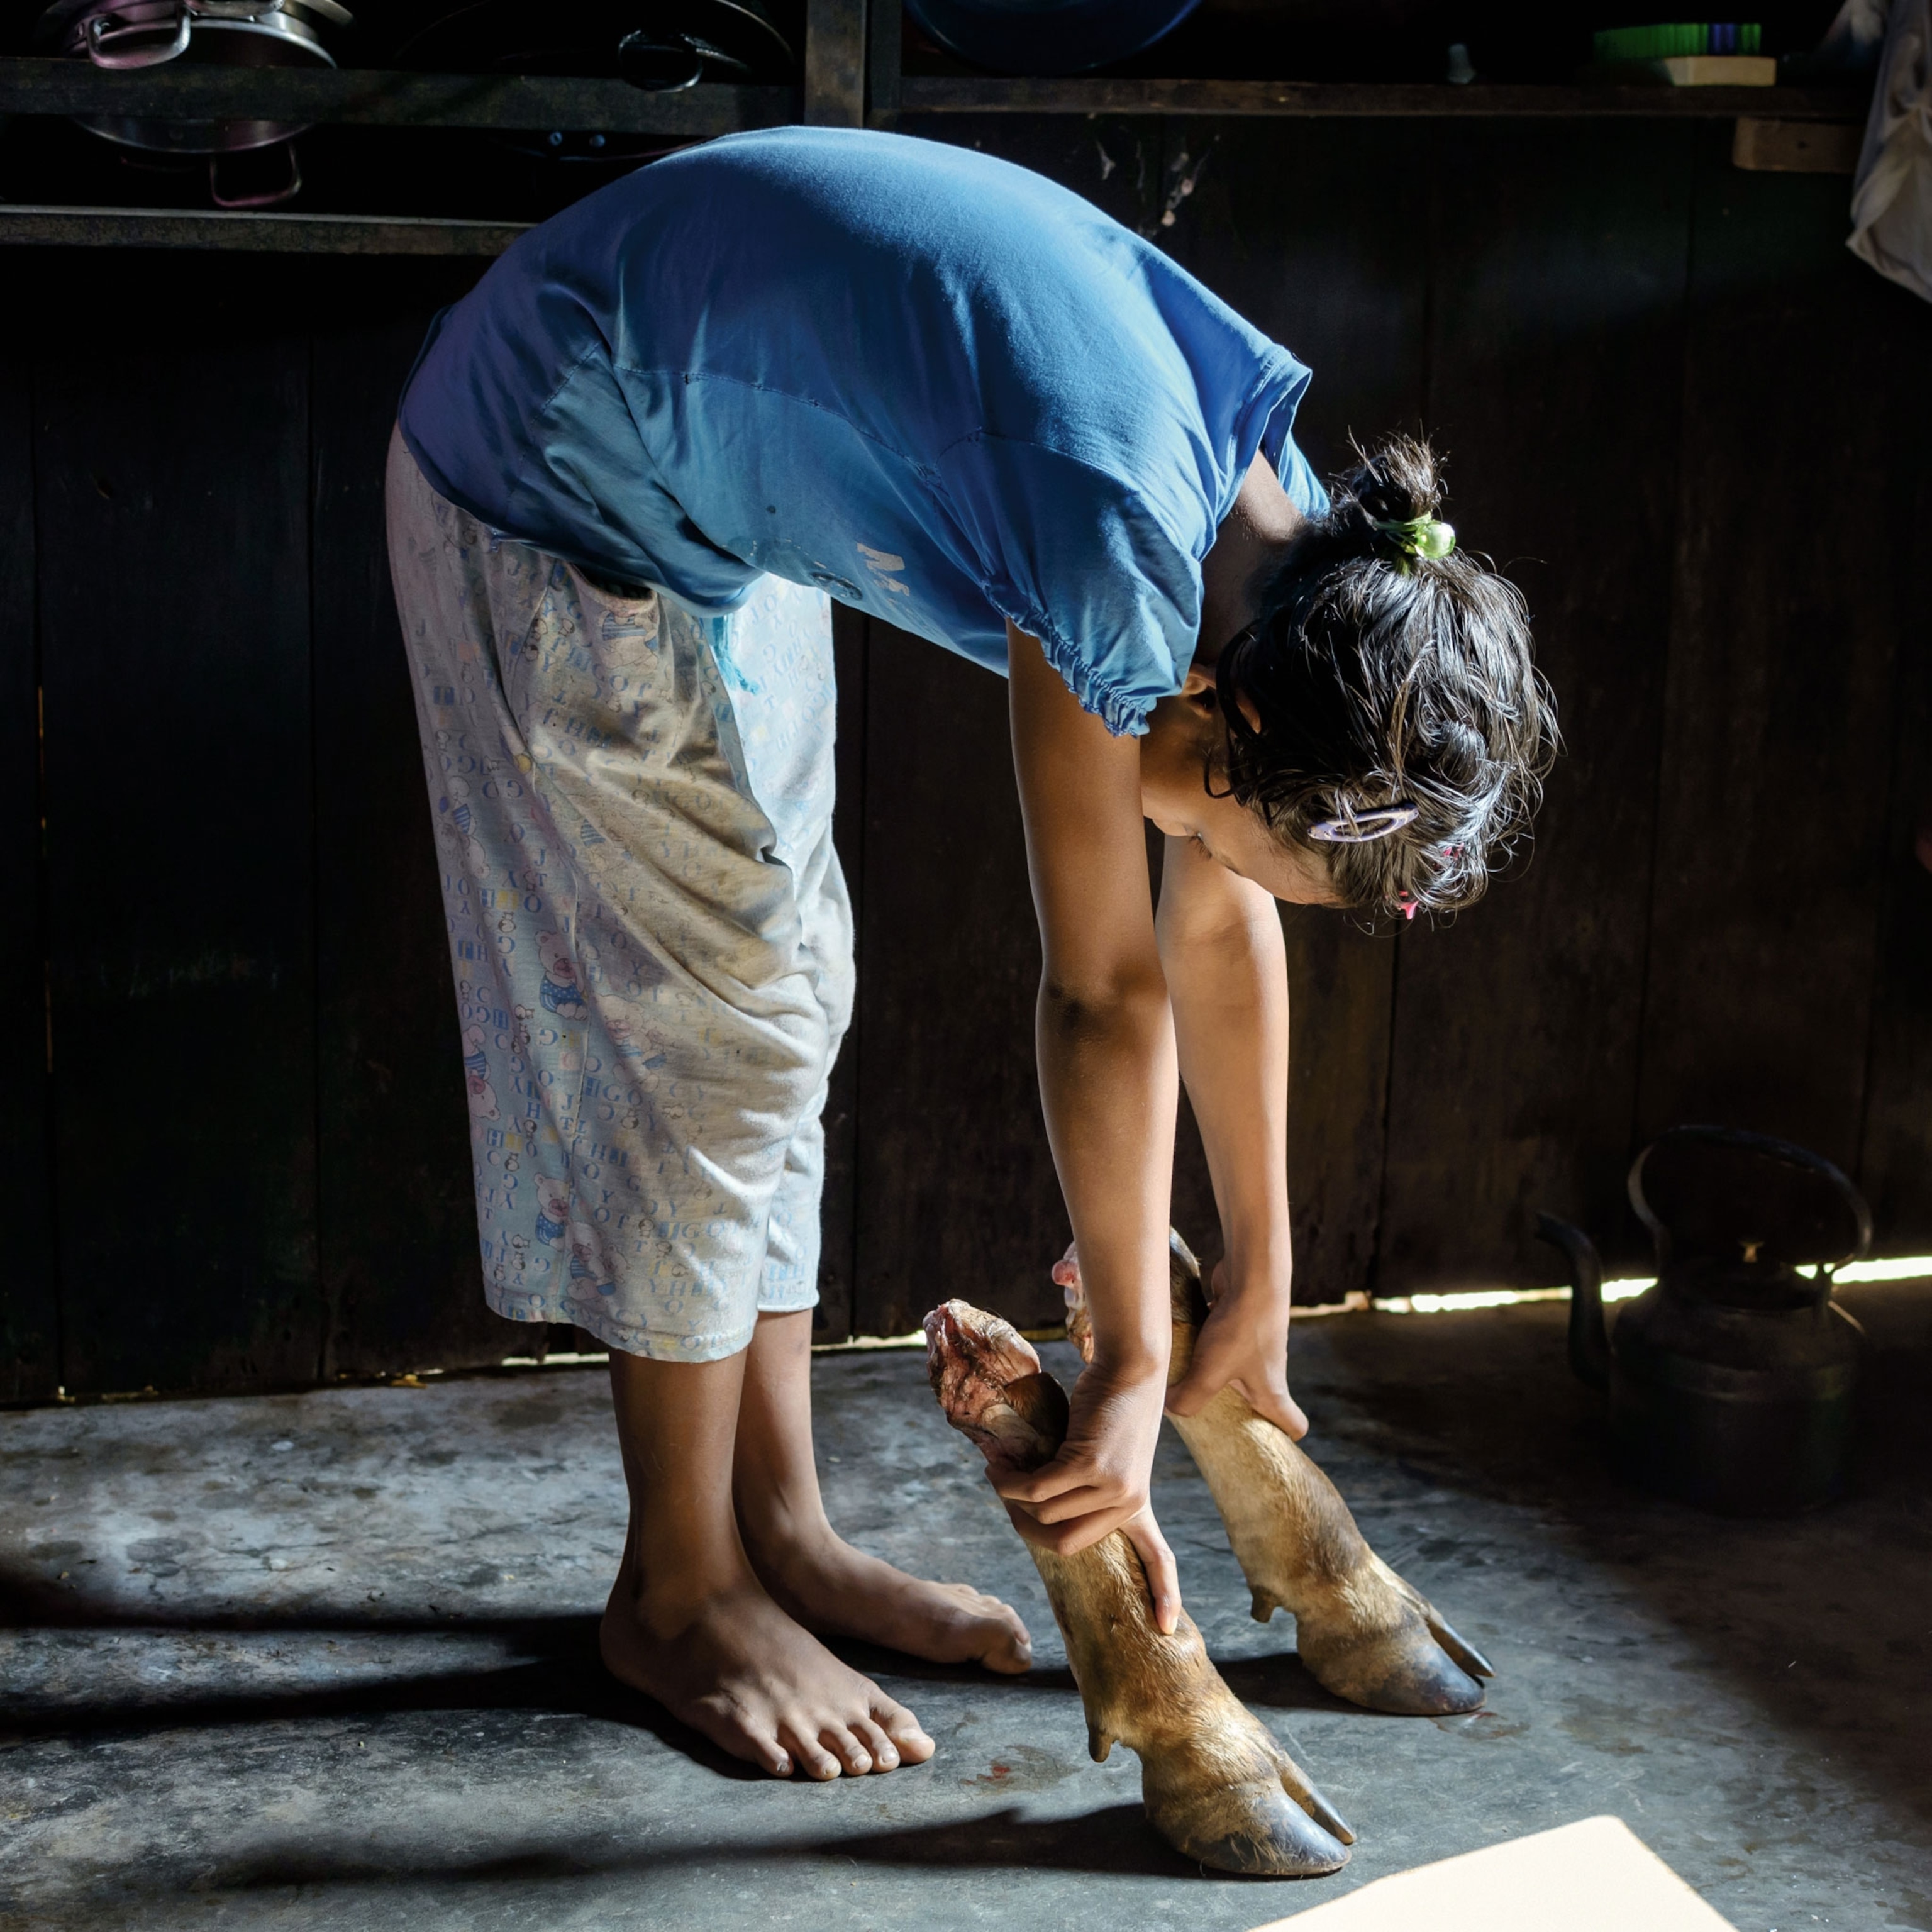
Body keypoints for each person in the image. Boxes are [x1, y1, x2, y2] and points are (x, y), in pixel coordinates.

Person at [386, 125, 1555, 1787]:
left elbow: (1213, 923)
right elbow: (1105, 983)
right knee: (725, 1029)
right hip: (551, 466)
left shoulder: (1289, 587)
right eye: (1249, 842)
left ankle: (778, 1527)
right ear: (1222, 729)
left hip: (709, 484)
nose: (1228, 874)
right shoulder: (1112, 546)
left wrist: (1267, 1282)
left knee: (796, 988)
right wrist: (1138, 1367)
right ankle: (677, 1590)